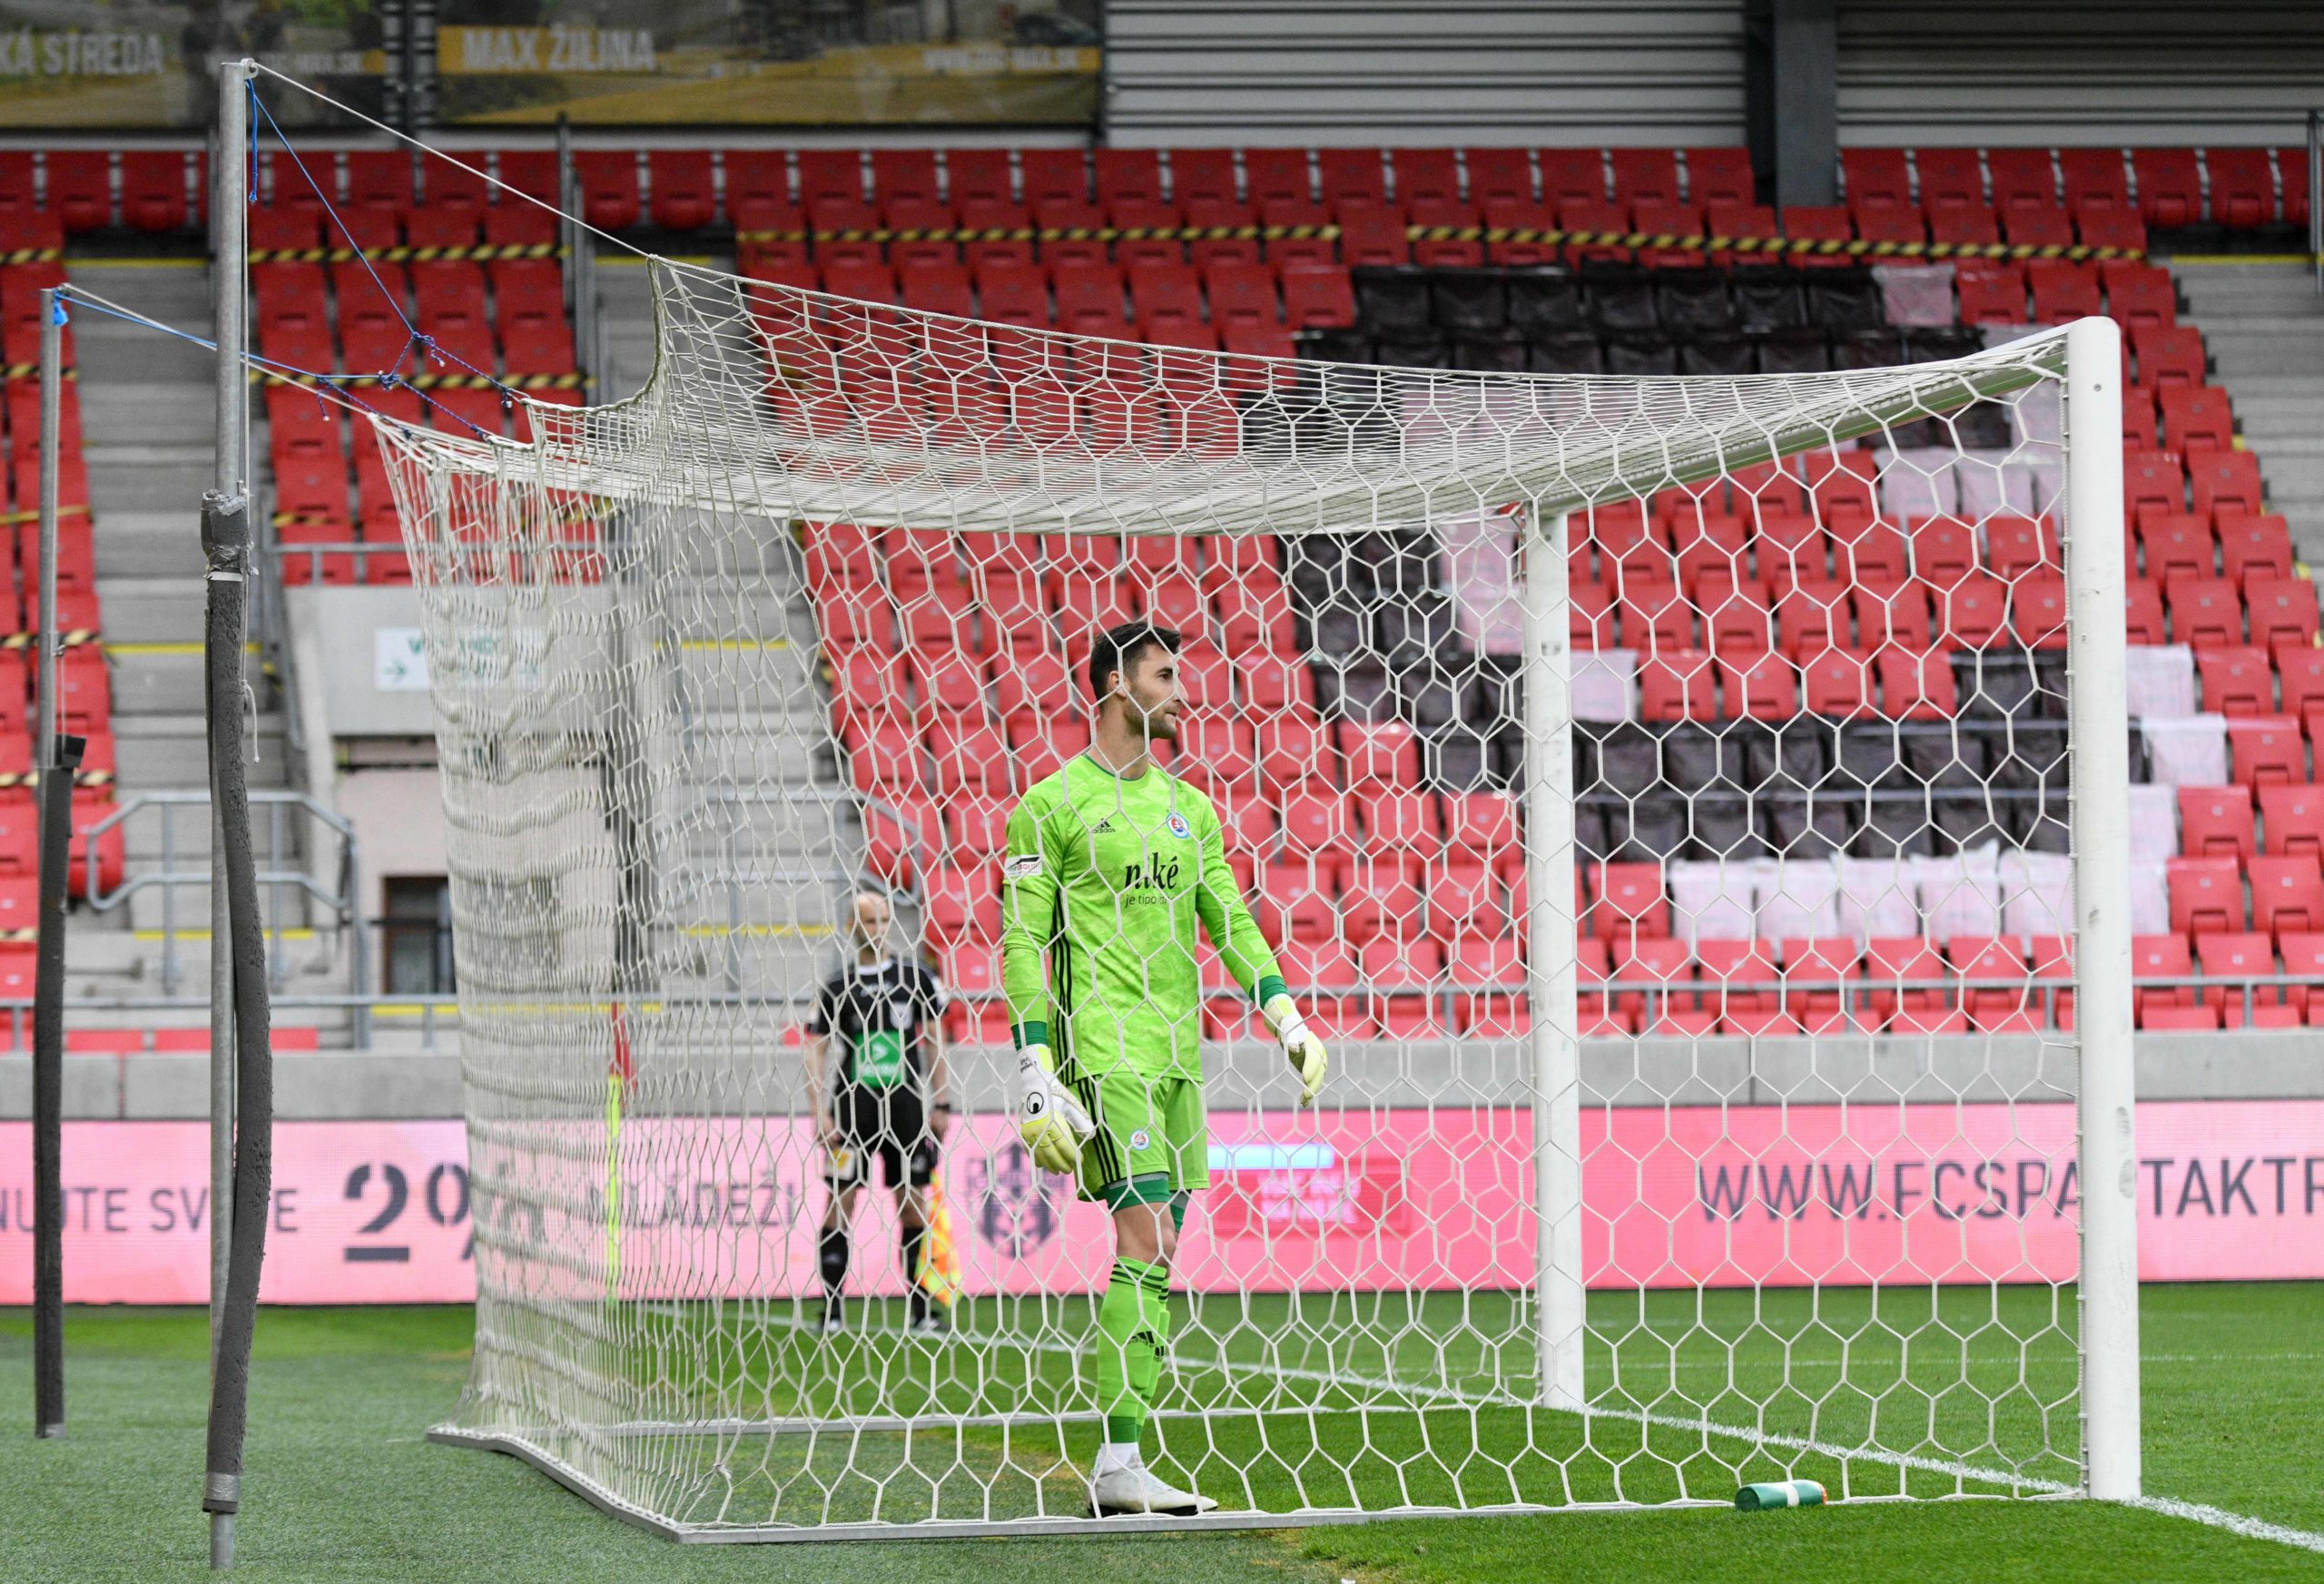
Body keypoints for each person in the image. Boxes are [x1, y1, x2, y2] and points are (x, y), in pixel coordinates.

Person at [1000, 620, 1329, 1518]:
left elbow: (1229, 917)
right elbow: (1023, 941)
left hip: (1179, 1054)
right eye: (1166, 676)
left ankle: (1123, 1455)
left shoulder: (1193, 809)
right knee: (1142, 1241)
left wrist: (1286, 1015)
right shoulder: (1050, 804)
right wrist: (1036, 1067)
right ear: (1115, 684)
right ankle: (1119, 1461)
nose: (1186, 693)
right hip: (1102, 1050)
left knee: (1161, 1252)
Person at [804, 890, 953, 1334]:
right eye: (870, 921)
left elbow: (935, 1039)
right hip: (852, 1109)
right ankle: (832, 1312)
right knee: (840, 1201)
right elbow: (815, 1047)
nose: (879, 929)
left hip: (905, 1108)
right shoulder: (837, 986)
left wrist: (941, 1101)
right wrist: (819, 1113)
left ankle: (921, 1311)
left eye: (884, 920)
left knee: (913, 1204)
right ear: (852, 927)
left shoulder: (916, 977)